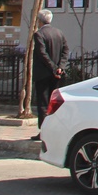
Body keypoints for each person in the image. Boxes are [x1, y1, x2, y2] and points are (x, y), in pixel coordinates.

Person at [32, 9, 68, 139]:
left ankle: (44, 131)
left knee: (43, 103)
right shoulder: (59, 33)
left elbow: (42, 54)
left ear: (40, 21)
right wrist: (60, 67)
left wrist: (53, 67)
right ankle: (56, 129)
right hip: (56, 74)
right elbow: (65, 51)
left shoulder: (39, 34)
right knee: (55, 103)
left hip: (43, 74)